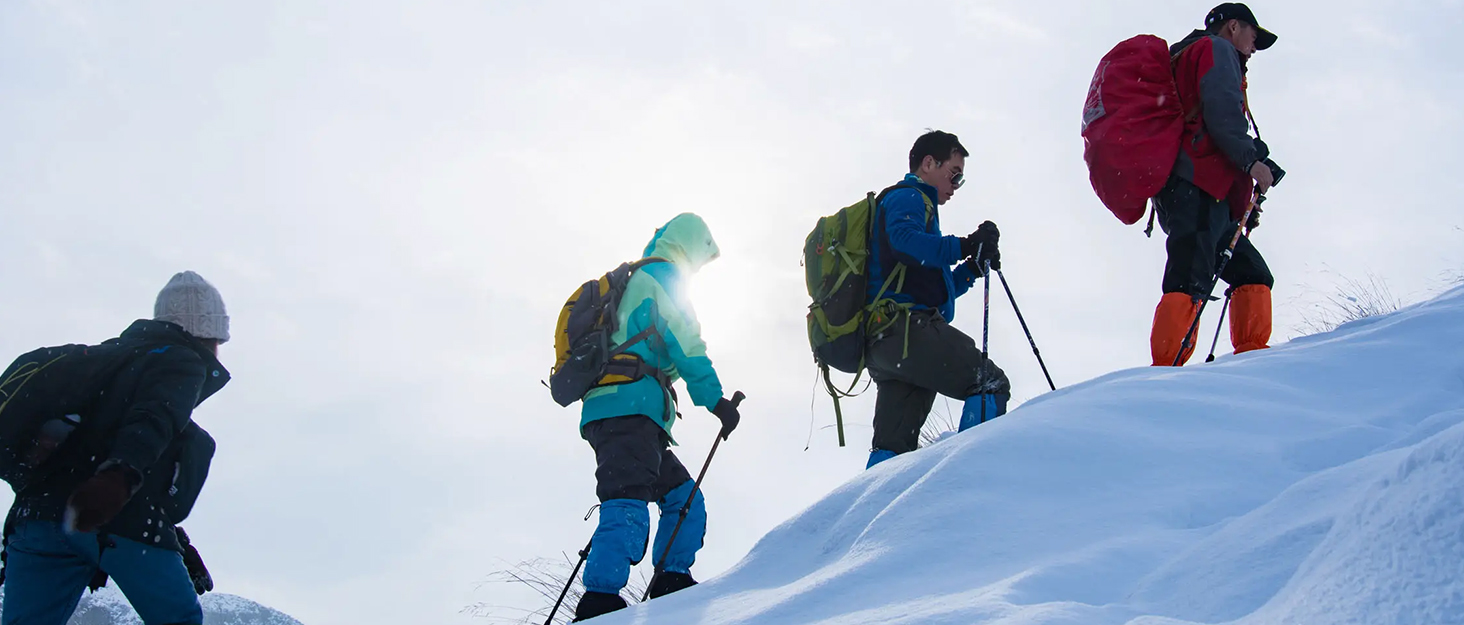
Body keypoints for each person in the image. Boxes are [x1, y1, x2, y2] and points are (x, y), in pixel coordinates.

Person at [1, 271, 230, 625]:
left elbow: (83, 446)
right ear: (205, 332)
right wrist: (119, 478)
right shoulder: (183, 361)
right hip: (116, 522)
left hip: (36, 522)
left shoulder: (110, 360)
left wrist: (176, 541)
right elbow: (153, 421)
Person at [573, 213, 742, 622]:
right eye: (701, 258)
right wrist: (716, 401)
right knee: (627, 500)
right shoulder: (662, 277)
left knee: (684, 498)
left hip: (630, 413)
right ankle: (599, 603)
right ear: (688, 248)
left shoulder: (636, 279)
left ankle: (670, 582)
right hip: (627, 410)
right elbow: (687, 342)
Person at [863, 130, 1011, 469]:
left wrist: (972, 266)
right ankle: (968, 478)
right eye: (953, 174)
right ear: (929, 163)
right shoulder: (910, 196)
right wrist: (964, 245)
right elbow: (904, 240)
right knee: (990, 383)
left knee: (892, 447)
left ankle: (872, 512)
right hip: (907, 332)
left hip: (889, 344)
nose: (955, 186)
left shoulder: (916, 206)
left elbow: (934, 288)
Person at [1150, 3, 1283, 366]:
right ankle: (1166, 370)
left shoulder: (1187, 55)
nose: (1255, 47)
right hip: (1197, 183)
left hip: (1203, 189)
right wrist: (1251, 161)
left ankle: (1253, 360)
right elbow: (1222, 114)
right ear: (1234, 27)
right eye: (1254, 37)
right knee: (1189, 274)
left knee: (1252, 274)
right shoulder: (1215, 49)